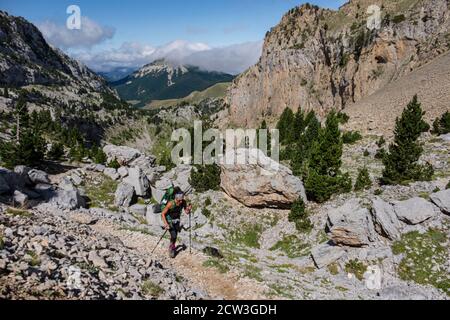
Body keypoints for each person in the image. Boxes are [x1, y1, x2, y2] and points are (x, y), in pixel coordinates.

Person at [161, 192, 192, 258]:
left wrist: (188, 209)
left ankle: (172, 245)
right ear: (176, 198)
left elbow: (186, 212)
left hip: (177, 220)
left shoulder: (183, 202)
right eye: (179, 200)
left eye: (181, 199)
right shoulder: (170, 203)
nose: (181, 201)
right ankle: (171, 249)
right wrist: (166, 224)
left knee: (175, 235)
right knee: (174, 235)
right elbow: (163, 214)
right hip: (169, 220)